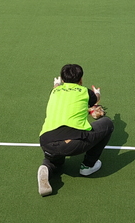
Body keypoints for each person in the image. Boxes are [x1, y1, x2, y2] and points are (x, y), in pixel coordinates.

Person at [37, 64, 114, 197]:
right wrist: (97, 93)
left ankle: (47, 167)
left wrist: (56, 84)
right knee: (107, 123)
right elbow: (96, 98)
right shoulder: (85, 91)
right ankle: (88, 166)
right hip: (73, 141)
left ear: (62, 79)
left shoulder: (54, 91)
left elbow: (57, 88)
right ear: (81, 80)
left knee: (56, 161)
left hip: (46, 141)